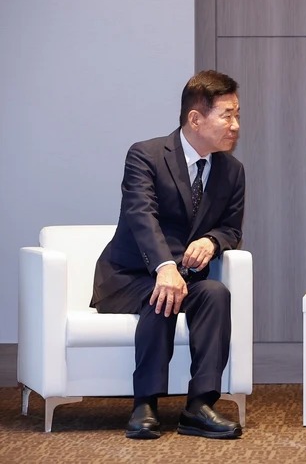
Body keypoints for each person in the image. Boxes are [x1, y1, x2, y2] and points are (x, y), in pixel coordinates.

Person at [91, 70, 245, 440]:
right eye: (227, 115)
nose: (236, 125)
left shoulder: (232, 171)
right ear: (196, 118)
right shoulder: (145, 155)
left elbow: (232, 229)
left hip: (187, 278)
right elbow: (141, 215)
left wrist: (212, 241)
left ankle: (200, 406)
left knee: (216, 293)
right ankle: (145, 403)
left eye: (237, 115)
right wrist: (164, 266)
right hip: (129, 275)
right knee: (161, 294)